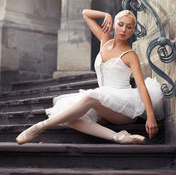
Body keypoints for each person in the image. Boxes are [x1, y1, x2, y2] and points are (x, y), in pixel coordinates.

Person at [16, 9, 163, 145]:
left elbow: (141, 86)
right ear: (114, 25)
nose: (124, 30)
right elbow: (85, 14)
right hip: (103, 102)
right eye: (121, 24)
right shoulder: (105, 41)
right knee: (70, 117)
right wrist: (106, 15)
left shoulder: (130, 55)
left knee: (91, 96)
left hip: (124, 108)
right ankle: (119, 137)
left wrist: (150, 117)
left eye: (129, 27)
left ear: (132, 31)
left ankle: (40, 126)